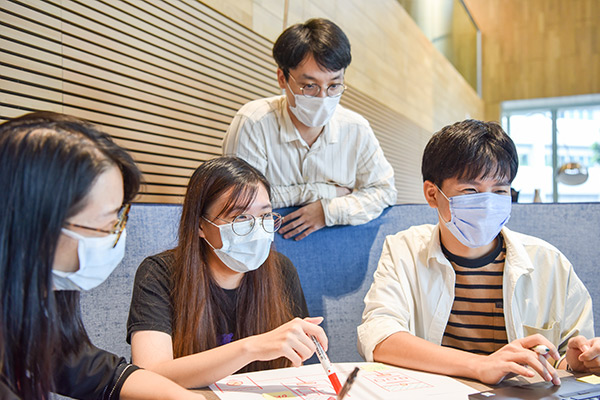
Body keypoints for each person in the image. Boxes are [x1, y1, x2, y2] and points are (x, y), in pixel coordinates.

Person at [357, 119, 600, 385]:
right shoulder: (404, 250)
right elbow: (378, 336)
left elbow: (565, 358)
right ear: (432, 194)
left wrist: (577, 363)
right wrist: (481, 365)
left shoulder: (548, 262)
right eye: (470, 191)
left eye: (499, 190)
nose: (486, 204)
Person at [0, 112, 204, 399]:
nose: (115, 237)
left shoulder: (33, 306)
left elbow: (81, 366)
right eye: (107, 224)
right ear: (33, 222)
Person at [127, 156, 327, 388]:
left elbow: (291, 368)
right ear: (201, 226)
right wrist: (252, 348)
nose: (256, 229)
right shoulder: (159, 274)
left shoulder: (281, 270)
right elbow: (148, 377)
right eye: (240, 217)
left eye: (264, 216)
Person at [222, 18, 397, 240]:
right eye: (310, 86)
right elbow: (241, 202)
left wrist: (328, 211)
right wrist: (326, 192)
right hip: (259, 245)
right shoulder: (253, 122)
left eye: (333, 85)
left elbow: (385, 191)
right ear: (282, 79)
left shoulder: (356, 129)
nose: (323, 97)